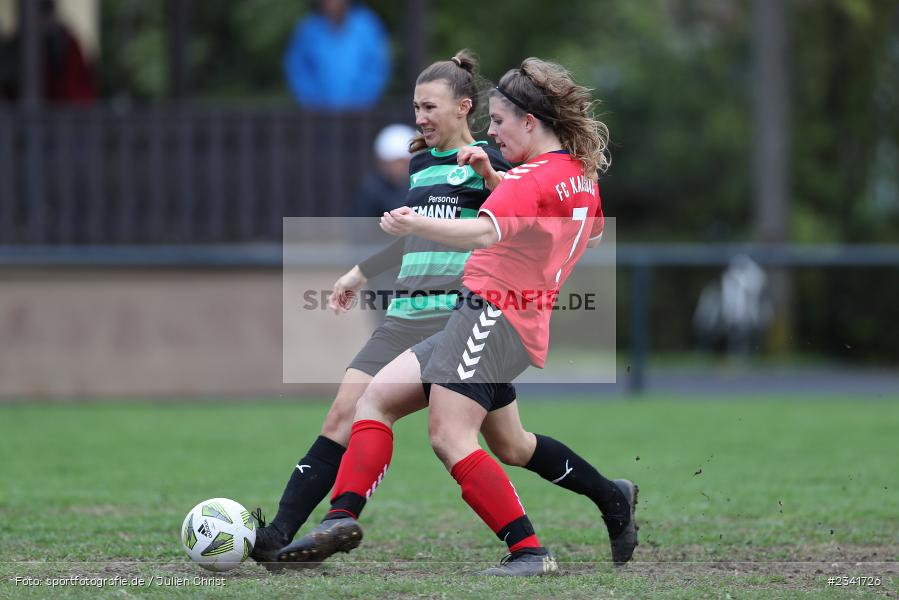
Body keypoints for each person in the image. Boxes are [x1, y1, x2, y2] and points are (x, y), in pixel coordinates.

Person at [277, 58, 638, 576]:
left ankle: (529, 552)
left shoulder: (532, 177)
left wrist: (416, 223)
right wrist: (498, 186)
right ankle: (340, 517)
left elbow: (484, 233)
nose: (491, 132)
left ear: (530, 122)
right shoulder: (577, 176)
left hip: (494, 315)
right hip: (496, 316)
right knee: (384, 401)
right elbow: (592, 235)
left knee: (449, 435)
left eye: (498, 121)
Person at [283, 0, 390, 110]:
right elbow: (298, 70)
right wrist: (315, 103)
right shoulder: (308, 29)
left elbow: (377, 67)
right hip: (318, 115)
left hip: (360, 114)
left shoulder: (367, 26)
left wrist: (360, 103)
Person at [355, 124, 418, 218]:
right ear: (382, 162)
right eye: (395, 162)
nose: (399, 167)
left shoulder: (426, 188)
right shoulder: (371, 190)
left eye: (403, 162)